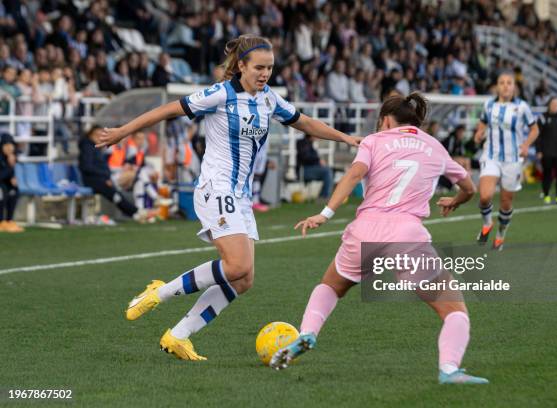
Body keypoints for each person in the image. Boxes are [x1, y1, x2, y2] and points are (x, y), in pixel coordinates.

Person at [94, 34, 360, 361]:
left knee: (244, 278)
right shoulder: (221, 93)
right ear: (242, 66)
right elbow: (167, 110)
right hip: (215, 188)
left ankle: (178, 335)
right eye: (259, 67)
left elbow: (304, 122)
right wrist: (122, 131)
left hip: (241, 196)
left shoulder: (268, 99)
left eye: (270, 68)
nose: (264, 74)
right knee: (237, 264)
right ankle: (159, 292)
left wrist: (346, 138)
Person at [269, 93, 488, 385]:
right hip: (406, 234)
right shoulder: (435, 146)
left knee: (331, 286)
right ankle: (449, 370)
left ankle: (308, 332)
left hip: (364, 230)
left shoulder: (373, 140)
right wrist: (456, 200)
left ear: (385, 120)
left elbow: (353, 174)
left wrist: (324, 214)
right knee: (454, 310)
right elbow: (470, 187)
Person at [473, 72, 539, 251]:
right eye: (502, 82)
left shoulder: (522, 107)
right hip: (491, 156)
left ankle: (501, 235)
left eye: (509, 83)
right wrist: (479, 133)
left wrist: (526, 145)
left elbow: (534, 129)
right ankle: (487, 224)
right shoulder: (489, 105)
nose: (505, 85)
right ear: (497, 86)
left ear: (514, 87)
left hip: (513, 160)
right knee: (485, 196)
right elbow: (482, 123)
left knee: (505, 202)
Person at [78, 126, 139, 219]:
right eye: (96, 134)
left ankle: (135, 212)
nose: (98, 137)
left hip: (101, 179)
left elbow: (101, 166)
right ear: (90, 135)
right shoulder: (87, 148)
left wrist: (106, 177)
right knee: (115, 194)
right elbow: (87, 167)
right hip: (93, 181)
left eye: (100, 135)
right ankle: (135, 212)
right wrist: (105, 178)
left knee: (116, 192)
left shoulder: (95, 147)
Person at [536, 97, 557, 204]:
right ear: (549, 104)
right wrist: (539, 150)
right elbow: (538, 136)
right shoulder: (543, 118)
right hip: (546, 151)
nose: (555, 106)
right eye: (553, 104)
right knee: (547, 174)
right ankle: (546, 195)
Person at [297, 133, 333, 198]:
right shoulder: (302, 143)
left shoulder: (309, 144)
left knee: (329, 170)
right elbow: (305, 157)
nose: (318, 137)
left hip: (309, 169)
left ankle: (324, 195)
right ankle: (324, 196)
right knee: (327, 171)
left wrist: (319, 162)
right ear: (311, 134)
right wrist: (318, 160)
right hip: (303, 170)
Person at [0, 133, 23, 232]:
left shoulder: (11, 157)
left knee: (14, 191)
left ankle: (9, 220)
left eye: (11, 145)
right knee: (2, 191)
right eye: (6, 145)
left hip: (4, 183)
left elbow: (9, 175)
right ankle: (1, 221)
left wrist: (13, 179)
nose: (9, 148)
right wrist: (10, 166)